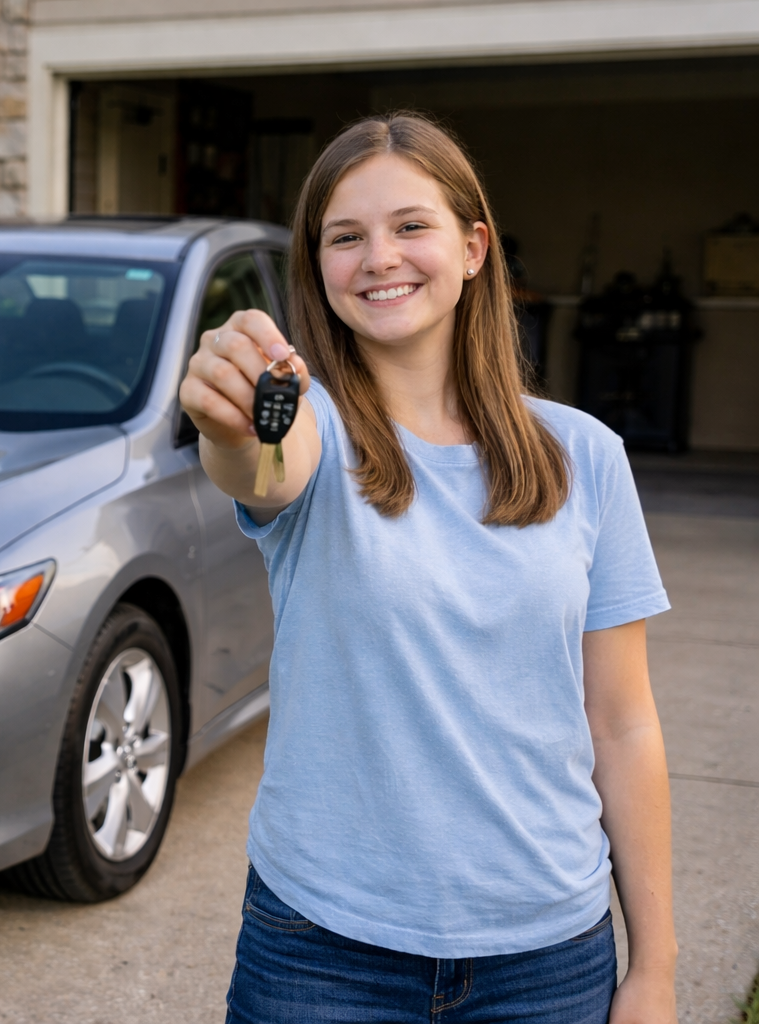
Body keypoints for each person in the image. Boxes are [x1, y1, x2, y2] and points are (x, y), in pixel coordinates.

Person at [180, 112, 677, 1023]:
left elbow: (623, 723)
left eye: (411, 225)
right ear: (317, 268)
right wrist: (232, 417)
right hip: (321, 953)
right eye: (345, 236)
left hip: (549, 955)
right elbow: (259, 467)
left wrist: (656, 967)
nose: (380, 257)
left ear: (474, 246)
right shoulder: (313, 433)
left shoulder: (587, 455)